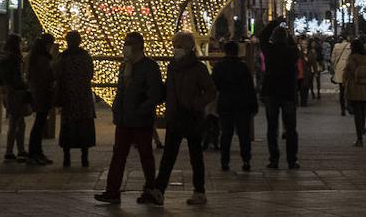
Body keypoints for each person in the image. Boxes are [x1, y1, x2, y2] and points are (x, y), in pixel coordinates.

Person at [144, 31, 218, 206]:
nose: (175, 49)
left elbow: (211, 90)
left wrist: (196, 103)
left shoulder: (198, 68)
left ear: (188, 48)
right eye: (174, 46)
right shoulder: (172, 67)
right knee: (168, 156)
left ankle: (199, 191)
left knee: (195, 156)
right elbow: (169, 89)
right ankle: (158, 190)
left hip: (192, 116)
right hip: (175, 116)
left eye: (178, 46)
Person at [95, 32, 164, 205]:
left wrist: (142, 109)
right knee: (118, 154)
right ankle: (112, 191)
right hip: (124, 119)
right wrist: (117, 110)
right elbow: (121, 92)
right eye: (125, 43)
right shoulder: (124, 67)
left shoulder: (149, 67)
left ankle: (150, 189)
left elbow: (155, 94)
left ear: (139, 46)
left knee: (145, 155)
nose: (125, 47)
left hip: (141, 120)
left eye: (129, 43)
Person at [212, 40, 257, 172]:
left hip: (226, 103)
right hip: (242, 103)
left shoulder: (219, 67)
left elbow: (214, 85)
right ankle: (246, 160)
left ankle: (224, 161)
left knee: (226, 133)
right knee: (244, 134)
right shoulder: (242, 67)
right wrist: (253, 105)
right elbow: (249, 88)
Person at [260, 25, 301, 169]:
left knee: (272, 127)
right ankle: (292, 159)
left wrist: (273, 23)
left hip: (271, 91)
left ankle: (274, 159)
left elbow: (262, 37)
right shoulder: (292, 51)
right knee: (290, 128)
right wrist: (288, 32)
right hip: (288, 92)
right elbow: (295, 45)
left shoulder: (269, 50)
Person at [55, 30, 97, 168]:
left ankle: (67, 158)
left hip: (68, 96)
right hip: (83, 96)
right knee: (83, 126)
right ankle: (84, 158)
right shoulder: (85, 56)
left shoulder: (63, 57)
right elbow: (90, 74)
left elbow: (58, 74)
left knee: (68, 126)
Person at [0, 33, 30, 163]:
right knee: (17, 122)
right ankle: (13, 151)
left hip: (7, 91)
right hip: (17, 92)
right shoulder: (15, 59)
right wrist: (25, 85)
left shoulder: (2, 59)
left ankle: (16, 150)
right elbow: (17, 78)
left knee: (17, 121)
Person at [26, 33, 55, 165]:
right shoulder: (42, 59)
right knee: (39, 125)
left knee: (39, 124)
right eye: (50, 45)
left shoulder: (35, 58)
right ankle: (34, 153)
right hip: (42, 94)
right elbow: (47, 76)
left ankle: (37, 152)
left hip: (38, 94)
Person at [341, 38, 366, 146]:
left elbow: (347, 72)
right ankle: (362, 133)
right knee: (363, 112)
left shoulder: (352, 58)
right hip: (365, 89)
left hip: (354, 88)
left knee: (357, 114)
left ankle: (359, 138)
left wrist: (344, 81)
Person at [331, 35, 352, 115]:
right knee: (349, 89)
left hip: (339, 68)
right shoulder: (350, 46)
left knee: (341, 90)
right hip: (348, 68)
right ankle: (349, 107)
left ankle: (342, 109)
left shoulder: (336, 46)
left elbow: (332, 59)